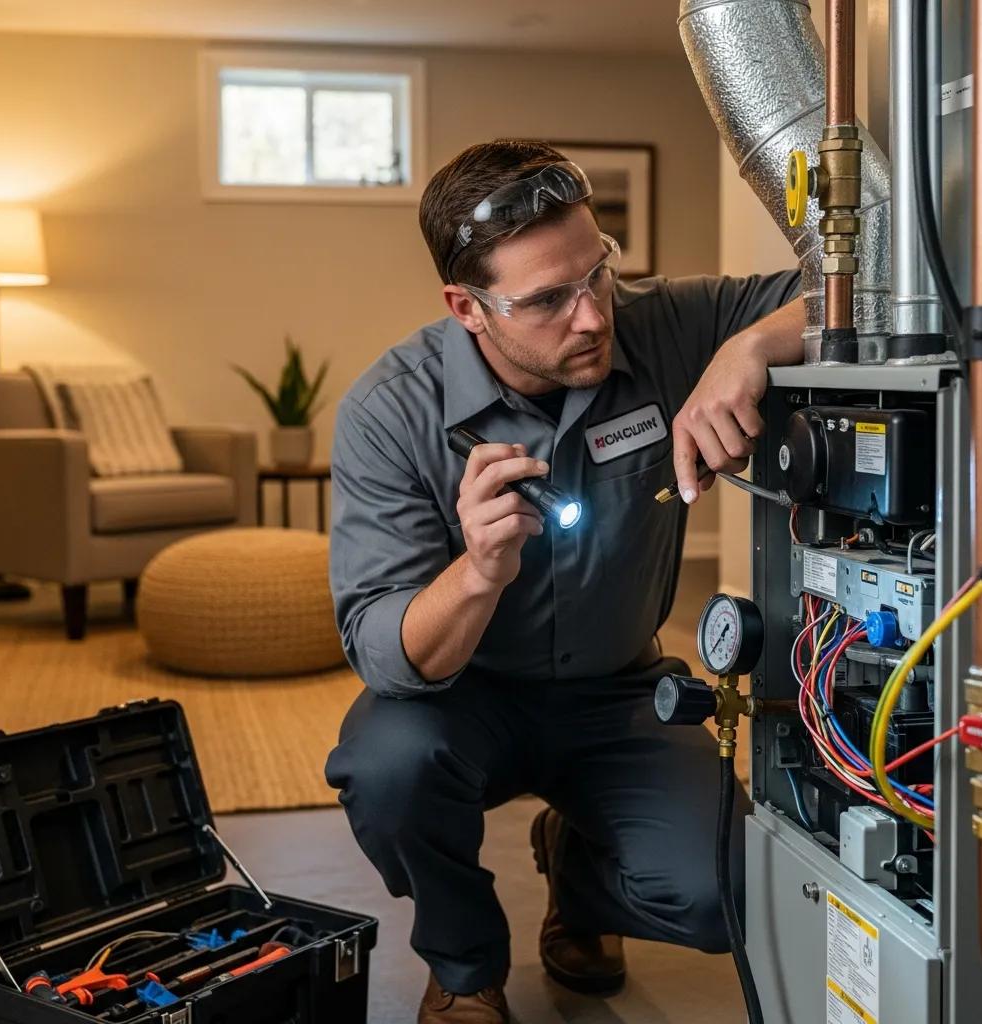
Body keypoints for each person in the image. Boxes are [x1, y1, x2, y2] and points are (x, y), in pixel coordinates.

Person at [325, 139, 803, 1023]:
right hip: (461, 702)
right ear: (466, 307)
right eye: (547, 299)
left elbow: (857, 292)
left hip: (618, 692)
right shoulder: (389, 413)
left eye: (597, 274)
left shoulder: (662, 325)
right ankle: (466, 967)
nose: (590, 317)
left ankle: (577, 879)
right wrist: (476, 573)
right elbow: (387, 657)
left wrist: (748, 347)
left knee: (719, 895)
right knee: (388, 767)